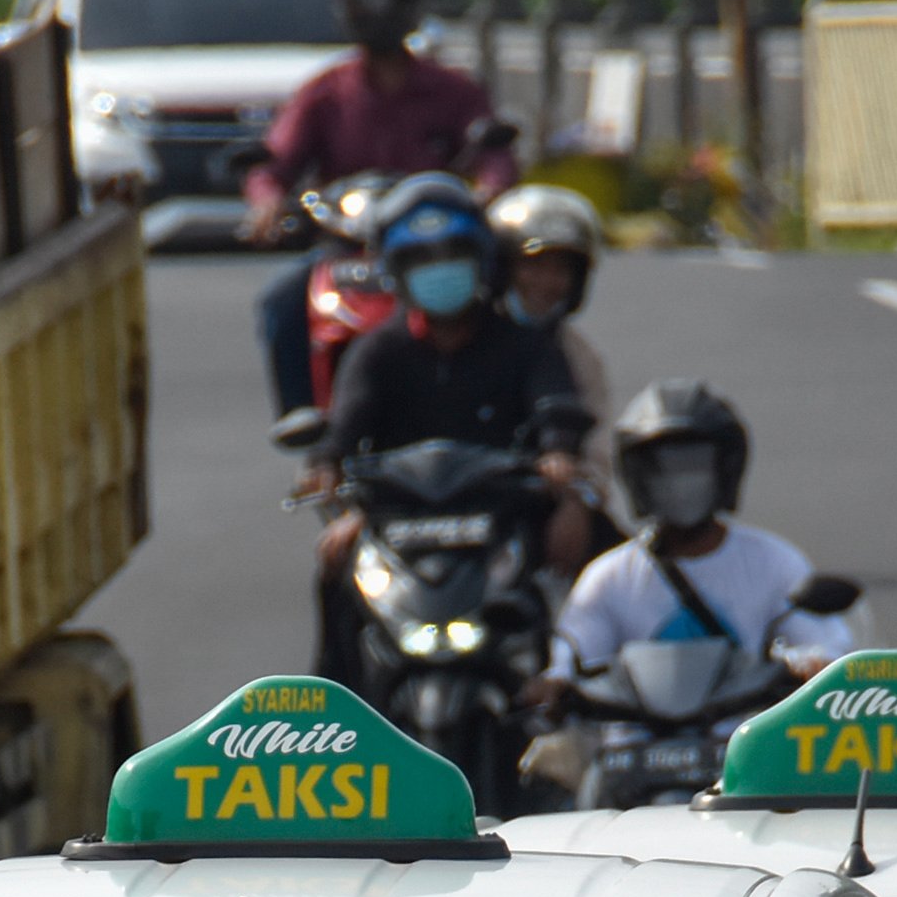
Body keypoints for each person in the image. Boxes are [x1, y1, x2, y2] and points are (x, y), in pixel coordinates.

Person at [306, 177, 593, 682]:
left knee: (601, 559)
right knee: (334, 568)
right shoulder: (377, 352)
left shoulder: (524, 346)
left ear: (481, 262)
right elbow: (345, 425)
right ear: (397, 273)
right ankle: (342, 712)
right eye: (423, 261)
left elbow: (558, 408)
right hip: (400, 522)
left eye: (452, 256)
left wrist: (563, 470)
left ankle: (577, 707)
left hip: (505, 516)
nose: (440, 271)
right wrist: (328, 470)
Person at [243, 0, 517, 431]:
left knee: (510, 294)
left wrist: (488, 192)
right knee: (281, 301)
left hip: (441, 243)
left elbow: (495, 155)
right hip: (349, 246)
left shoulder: (454, 91)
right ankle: (304, 420)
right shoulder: (323, 94)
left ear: (413, 5)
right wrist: (265, 204)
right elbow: (274, 165)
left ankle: (521, 408)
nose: (376, 10)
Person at [543, 380, 853, 707]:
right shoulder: (608, 576)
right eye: (663, 470)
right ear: (639, 478)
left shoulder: (775, 562)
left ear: (724, 470)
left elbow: (826, 646)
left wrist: (812, 663)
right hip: (629, 749)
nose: (680, 485)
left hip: (743, 748)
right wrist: (554, 683)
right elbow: (573, 659)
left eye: (693, 468)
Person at [489, 183, 612, 478]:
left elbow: (597, 454)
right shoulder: (465, 337)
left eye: (560, 270)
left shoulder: (580, 357)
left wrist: (572, 483)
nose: (546, 282)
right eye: (533, 266)